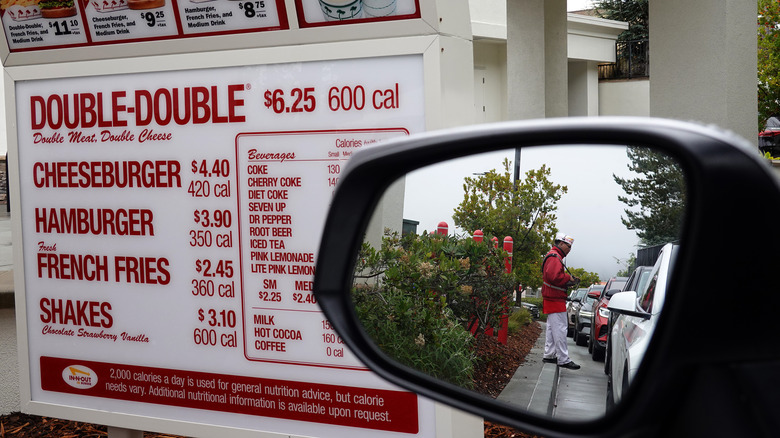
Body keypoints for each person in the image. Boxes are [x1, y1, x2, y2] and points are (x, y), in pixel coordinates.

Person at [541, 232, 581, 369]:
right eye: (568, 246)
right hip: (555, 298)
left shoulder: (553, 256)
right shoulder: (555, 257)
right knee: (560, 329)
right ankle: (563, 359)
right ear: (561, 243)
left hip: (552, 297)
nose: (569, 249)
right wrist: (567, 279)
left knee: (552, 329)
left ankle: (549, 354)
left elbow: (552, 277)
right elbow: (554, 277)